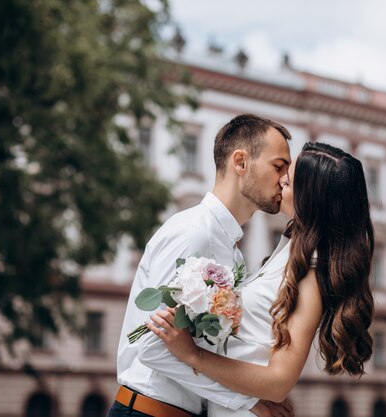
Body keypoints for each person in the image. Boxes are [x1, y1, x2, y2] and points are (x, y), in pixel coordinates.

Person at [147, 142, 375, 416]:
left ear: (310, 198)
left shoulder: (311, 273)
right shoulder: (291, 253)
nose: (280, 181)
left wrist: (193, 355)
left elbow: (279, 382)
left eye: (289, 180)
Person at [108, 114, 295, 417]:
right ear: (240, 162)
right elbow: (151, 346)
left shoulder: (231, 252)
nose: (285, 179)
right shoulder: (193, 234)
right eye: (278, 166)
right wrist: (248, 402)